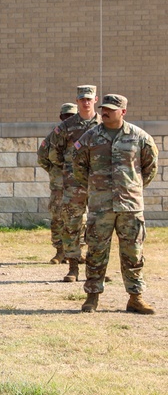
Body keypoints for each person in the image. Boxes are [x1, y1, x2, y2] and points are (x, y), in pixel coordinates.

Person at [73, 94, 159, 314]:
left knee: (133, 253)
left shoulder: (139, 137)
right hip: (100, 207)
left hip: (130, 206)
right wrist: (97, 189)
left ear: (123, 112)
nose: (105, 112)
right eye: (104, 108)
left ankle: (135, 297)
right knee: (96, 252)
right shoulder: (89, 138)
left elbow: (149, 167)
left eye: (111, 109)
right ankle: (92, 297)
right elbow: (79, 168)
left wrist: (133, 187)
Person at [48, 86, 99, 282]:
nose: (85, 102)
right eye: (82, 99)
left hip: (98, 185)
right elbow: (54, 154)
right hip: (73, 185)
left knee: (98, 227)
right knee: (72, 225)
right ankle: (73, 268)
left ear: (95, 99)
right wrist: (69, 170)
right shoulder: (66, 126)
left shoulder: (104, 123)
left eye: (89, 99)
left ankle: (96, 268)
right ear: (77, 101)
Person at [37, 102, 78, 264]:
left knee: (78, 218)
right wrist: (55, 171)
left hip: (78, 185)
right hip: (59, 186)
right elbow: (42, 156)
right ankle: (60, 251)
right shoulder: (54, 135)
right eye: (65, 116)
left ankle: (76, 251)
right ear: (61, 118)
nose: (68, 119)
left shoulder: (82, 134)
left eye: (72, 116)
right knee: (57, 217)